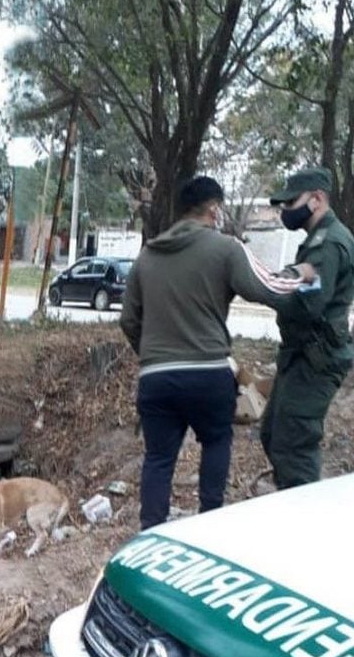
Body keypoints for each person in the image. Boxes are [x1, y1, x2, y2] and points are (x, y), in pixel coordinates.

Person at [120, 175, 316, 530]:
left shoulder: (147, 256)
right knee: (216, 442)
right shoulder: (225, 248)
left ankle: (149, 533)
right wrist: (300, 274)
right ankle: (209, 524)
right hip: (208, 373)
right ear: (214, 209)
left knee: (159, 458)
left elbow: (129, 320)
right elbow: (266, 288)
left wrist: (151, 354)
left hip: (156, 378)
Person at [261, 166, 354, 489]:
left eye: (291, 202)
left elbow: (309, 304)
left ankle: (303, 524)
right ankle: (291, 501)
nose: (286, 210)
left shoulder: (329, 243)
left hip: (317, 359)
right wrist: (290, 276)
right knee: (273, 433)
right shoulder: (317, 239)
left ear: (317, 199)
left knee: (293, 446)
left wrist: (271, 288)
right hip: (300, 356)